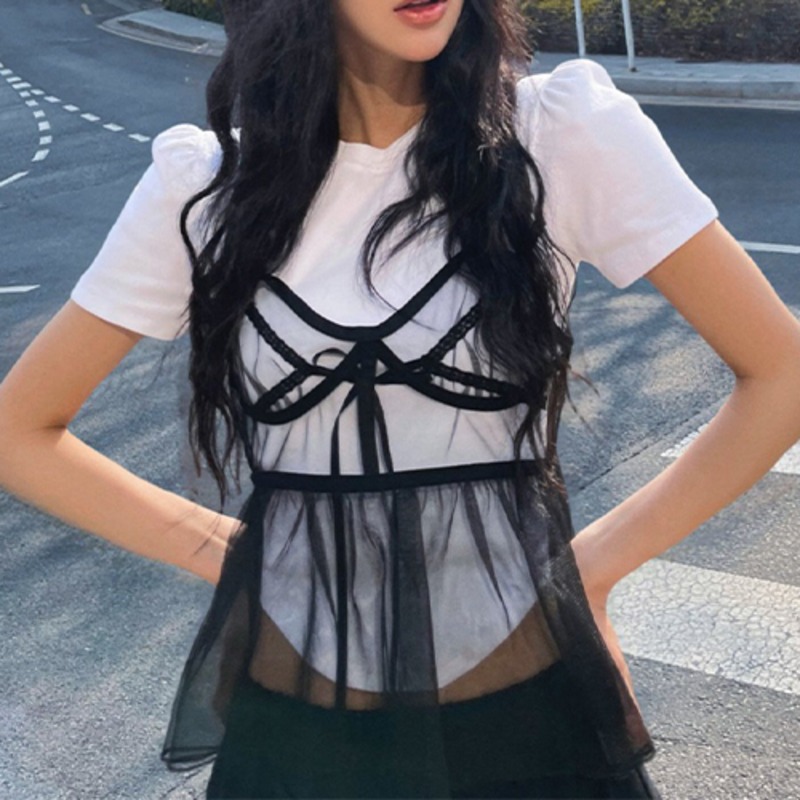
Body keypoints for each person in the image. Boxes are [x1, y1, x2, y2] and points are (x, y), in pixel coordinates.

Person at [1, 0, 799, 797]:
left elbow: (781, 373)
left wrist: (592, 568)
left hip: (531, 723)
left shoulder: (560, 135)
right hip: (294, 739)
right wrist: (230, 557)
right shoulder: (207, 189)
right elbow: (19, 431)